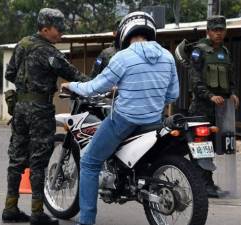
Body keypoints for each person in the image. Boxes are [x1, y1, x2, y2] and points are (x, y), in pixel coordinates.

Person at [62, 12, 179, 225]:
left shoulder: (122, 57)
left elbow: (94, 87)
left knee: (89, 162)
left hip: (124, 122)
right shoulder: (168, 56)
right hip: (154, 122)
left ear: (126, 32)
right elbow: (173, 95)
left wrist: (71, 85)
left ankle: (86, 221)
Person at [2, 8, 88, 225]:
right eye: (58, 29)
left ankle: (10, 208)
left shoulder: (22, 44)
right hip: (39, 110)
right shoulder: (49, 52)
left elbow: (9, 73)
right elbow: (74, 74)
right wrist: (98, 84)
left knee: (16, 158)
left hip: (20, 107)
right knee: (39, 160)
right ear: (45, 28)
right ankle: (37, 213)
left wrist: (27, 83)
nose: (61, 34)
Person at [187, 15, 239, 198]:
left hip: (220, 109)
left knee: (214, 146)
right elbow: (195, 81)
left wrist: (232, 93)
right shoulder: (199, 51)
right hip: (202, 108)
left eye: (221, 30)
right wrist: (210, 96)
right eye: (215, 30)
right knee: (202, 147)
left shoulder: (225, 52)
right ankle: (202, 185)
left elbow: (230, 78)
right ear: (208, 31)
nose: (218, 33)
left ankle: (207, 184)